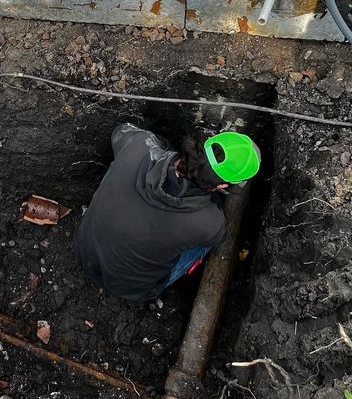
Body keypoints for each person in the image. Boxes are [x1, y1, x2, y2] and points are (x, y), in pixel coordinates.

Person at [74, 123, 260, 302]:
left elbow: (120, 131)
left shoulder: (140, 144)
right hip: (130, 289)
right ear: (221, 185)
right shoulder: (209, 223)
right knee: (204, 245)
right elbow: (219, 237)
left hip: (84, 251)